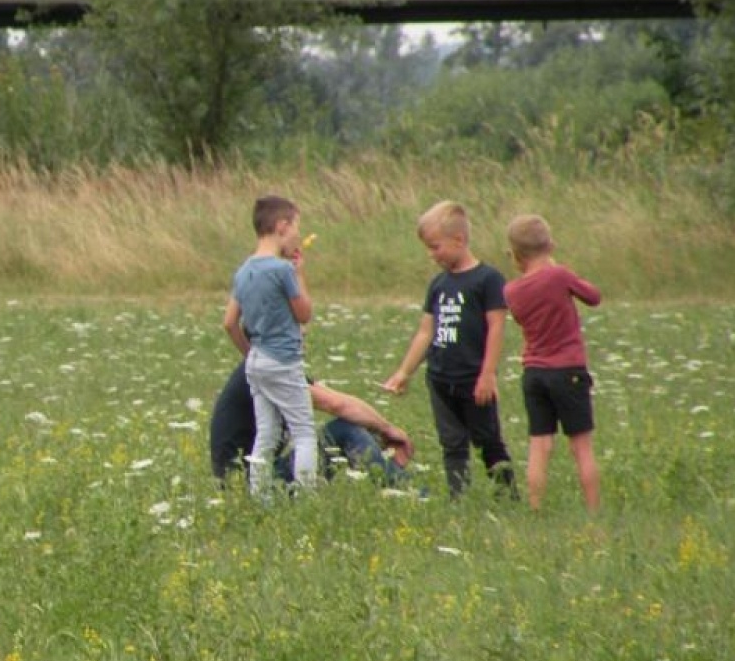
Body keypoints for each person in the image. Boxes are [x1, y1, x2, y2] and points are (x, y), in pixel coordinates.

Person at [382, 200, 517, 498]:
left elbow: (496, 327)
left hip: (474, 378)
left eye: (435, 247)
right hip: (441, 378)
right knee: (452, 442)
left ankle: (507, 493)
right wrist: (404, 372)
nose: (431, 255)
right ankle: (459, 497)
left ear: (458, 240)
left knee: (488, 439)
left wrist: (488, 374)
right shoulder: (439, 284)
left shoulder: (488, 279)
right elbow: (425, 331)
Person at [504, 214, 602, 512]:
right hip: (567, 370)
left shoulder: (511, 291)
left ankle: (535, 507)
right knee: (581, 446)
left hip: (534, 373)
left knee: (539, 445)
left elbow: (522, 317)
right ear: (551, 245)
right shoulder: (559, 276)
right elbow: (593, 296)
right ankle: (594, 510)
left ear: (515, 255)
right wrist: (555, 267)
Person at [223, 195, 317, 496]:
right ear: (281, 226)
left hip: (257, 362)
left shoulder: (244, 270)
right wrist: (300, 273)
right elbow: (304, 314)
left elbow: (229, 323)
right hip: (283, 361)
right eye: (295, 229)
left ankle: (259, 495)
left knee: (266, 434)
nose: (297, 237)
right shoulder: (282, 271)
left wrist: (250, 353)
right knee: (304, 433)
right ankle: (305, 496)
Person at [210, 361, 416, 489]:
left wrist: (380, 429)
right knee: (345, 430)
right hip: (247, 484)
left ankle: (394, 479)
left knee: (350, 428)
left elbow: (333, 396)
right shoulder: (270, 371)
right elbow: (336, 405)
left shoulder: (261, 365)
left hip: (244, 480)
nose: (304, 332)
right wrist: (388, 429)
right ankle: (405, 490)